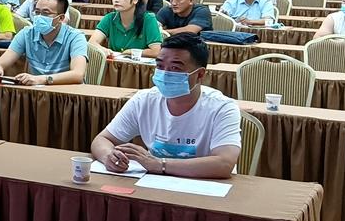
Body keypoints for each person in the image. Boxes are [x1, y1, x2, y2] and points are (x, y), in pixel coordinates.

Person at [90, 33, 241, 179]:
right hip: (155, 183)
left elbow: (224, 163)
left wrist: (159, 165)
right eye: (160, 66)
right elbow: (102, 139)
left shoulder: (222, 108)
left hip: (205, 185)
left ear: (200, 74)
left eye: (175, 68)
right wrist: (109, 156)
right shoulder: (144, 100)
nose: (165, 73)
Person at [0, 0, 88, 85]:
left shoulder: (75, 37)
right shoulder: (27, 33)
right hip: (36, 91)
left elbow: (78, 74)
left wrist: (43, 79)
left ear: (61, 18)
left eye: (45, 13)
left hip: (67, 93)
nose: (39, 17)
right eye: (37, 12)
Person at [90, 0, 163, 57]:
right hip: (114, 63)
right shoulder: (109, 18)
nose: (116, 0)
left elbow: (156, 51)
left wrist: (132, 52)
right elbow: (91, 43)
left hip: (139, 64)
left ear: (135, 0)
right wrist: (103, 49)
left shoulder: (148, 19)